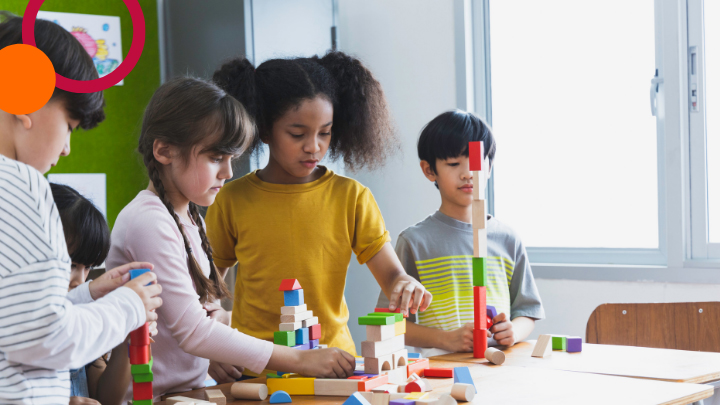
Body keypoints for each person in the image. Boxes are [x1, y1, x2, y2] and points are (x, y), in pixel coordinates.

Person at [106, 76, 358, 400]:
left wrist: (218, 338)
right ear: (164, 151)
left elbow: (198, 320)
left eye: (231, 159)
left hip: (191, 392)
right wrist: (299, 359)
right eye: (215, 158)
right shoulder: (148, 221)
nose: (227, 172)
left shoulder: (188, 216)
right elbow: (192, 331)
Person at [206, 52, 432, 381]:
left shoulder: (352, 197)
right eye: (298, 134)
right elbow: (208, 288)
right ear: (265, 130)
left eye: (324, 133)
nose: (313, 146)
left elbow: (393, 277)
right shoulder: (231, 199)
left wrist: (406, 284)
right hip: (254, 370)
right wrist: (213, 342)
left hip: (334, 368)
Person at [0, 14, 162, 404]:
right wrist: (129, 306)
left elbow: (16, 323)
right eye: (70, 125)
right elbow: (46, 339)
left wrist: (88, 295)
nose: (67, 147)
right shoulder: (21, 185)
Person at [376, 110, 545, 357]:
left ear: (489, 167)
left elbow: (526, 312)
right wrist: (445, 340)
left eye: (476, 164)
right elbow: (389, 323)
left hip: (499, 365)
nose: (467, 174)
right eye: (454, 164)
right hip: (439, 373)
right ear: (429, 170)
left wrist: (513, 332)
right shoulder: (414, 242)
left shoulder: (507, 239)